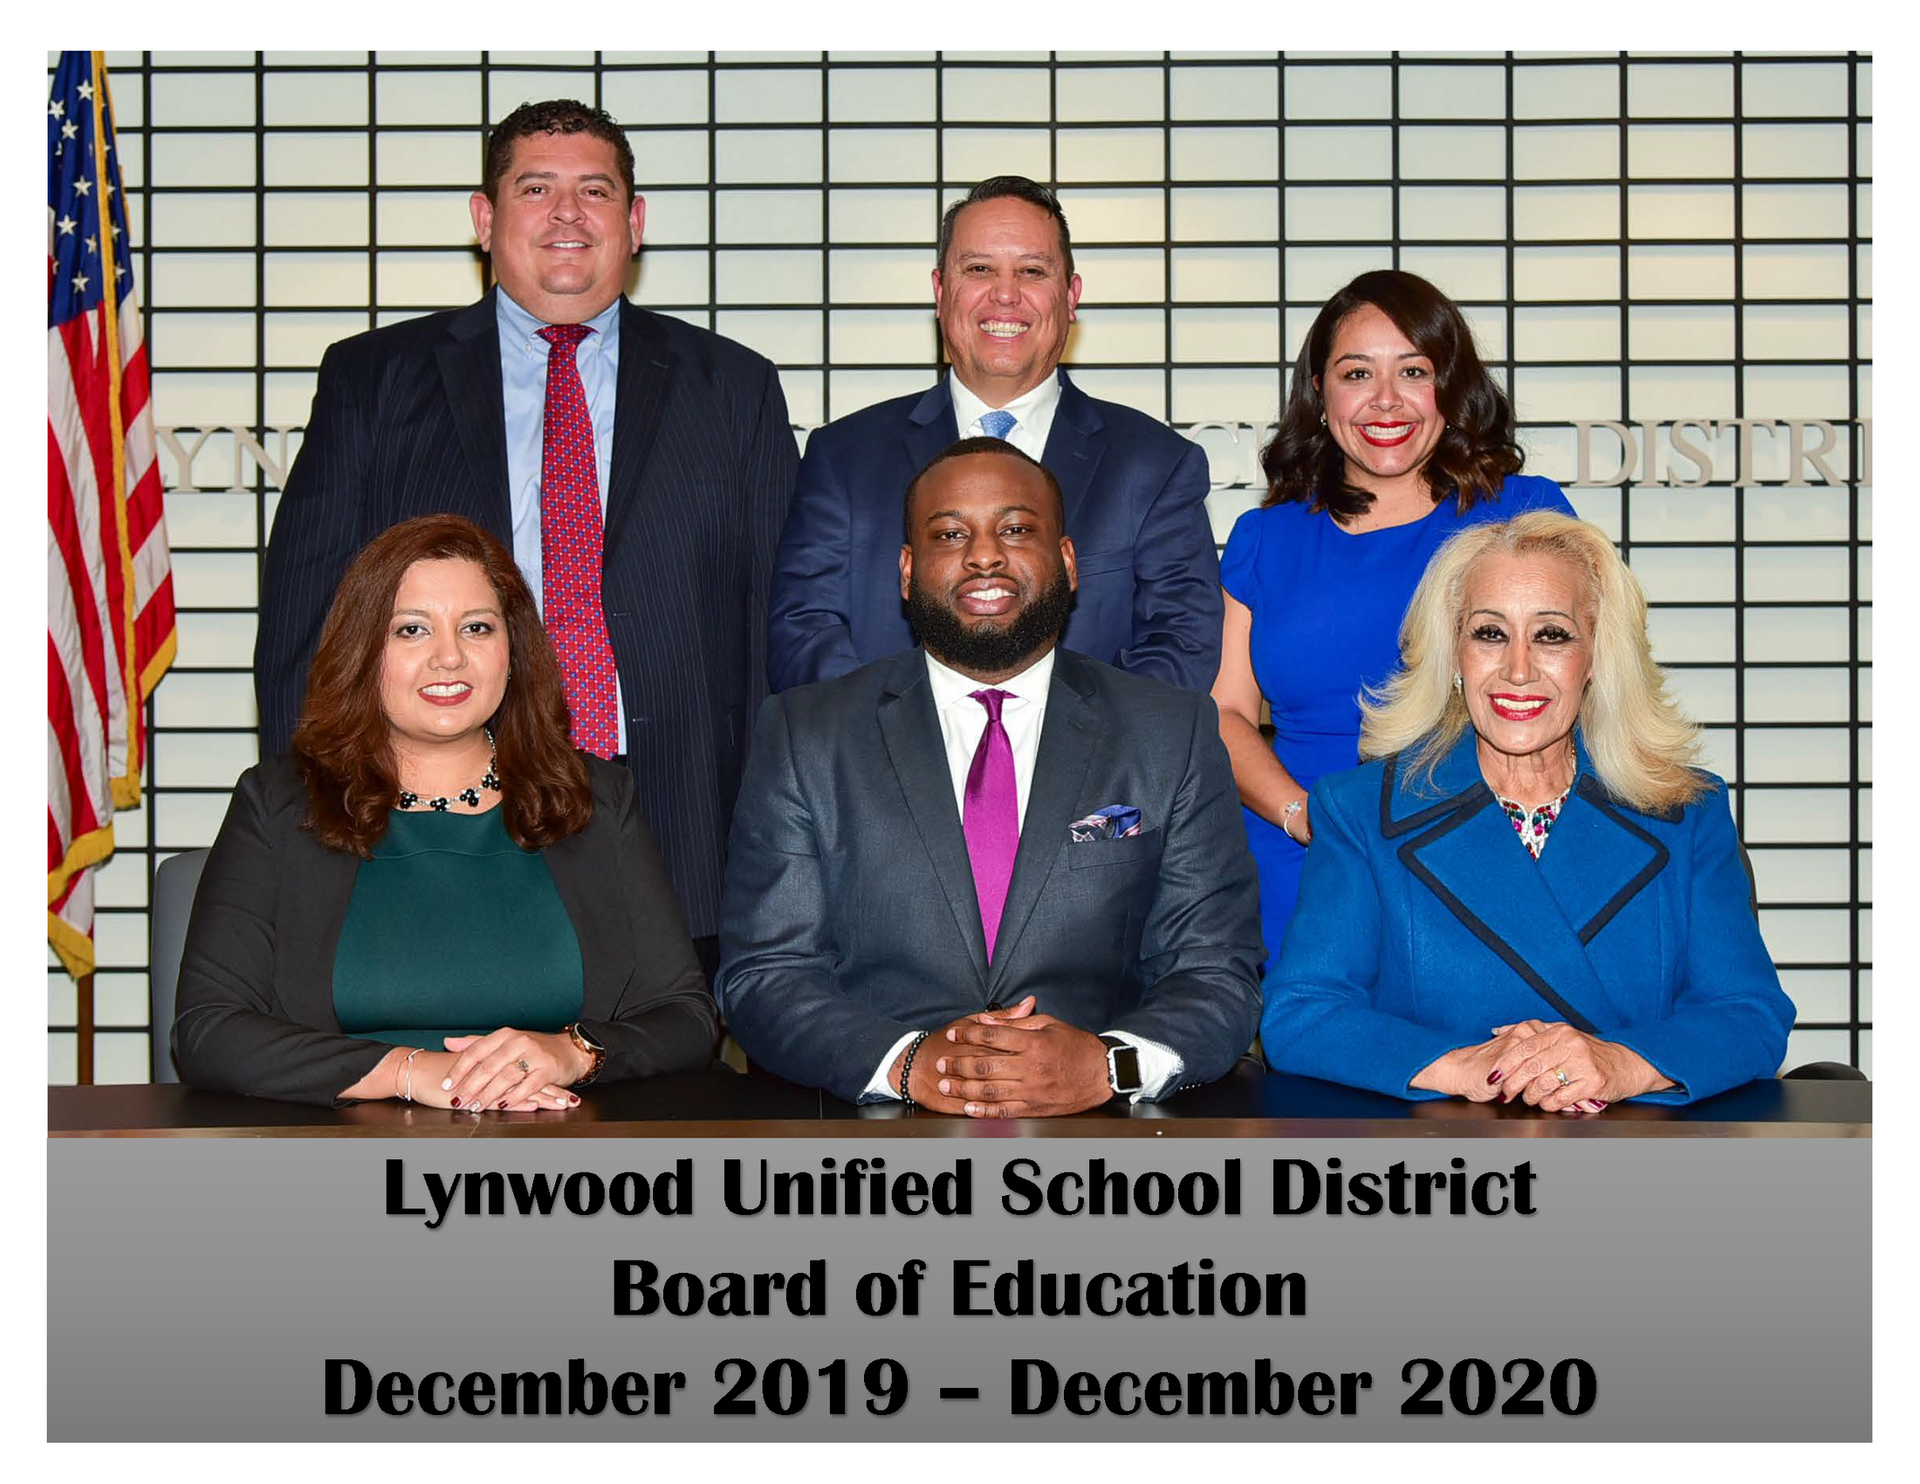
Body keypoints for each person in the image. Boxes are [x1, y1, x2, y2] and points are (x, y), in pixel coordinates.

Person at [254, 99, 797, 983]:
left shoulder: (733, 386)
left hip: (681, 828)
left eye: (595, 190)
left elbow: (772, 634)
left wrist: (780, 836)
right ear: (485, 217)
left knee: (662, 1096)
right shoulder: (374, 379)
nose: (567, 213)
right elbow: (302, 630)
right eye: (535, 188)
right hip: (431, 815)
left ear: (636, 221)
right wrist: (314, 834)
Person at [720, 439, 1263, 1115]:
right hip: (872, 1142)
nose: (984, 555)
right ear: (907, 569)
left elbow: (1215, 973)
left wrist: (1107, 1065)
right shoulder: (807, 734)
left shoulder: (1169, 731)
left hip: (1106, 1138)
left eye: (1015, 529)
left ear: (1066, 561)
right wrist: (912, 1066)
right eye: (951, 534)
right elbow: (765, 976)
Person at [176, 516, 717, 1108]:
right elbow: (208, 1030)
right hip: (337, 1156)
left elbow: (686, 1018)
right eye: (411, 630)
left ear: (512, 652)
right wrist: (408, 1072)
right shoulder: (279, 804)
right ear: (364, 651)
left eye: (477, 628)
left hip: (562, 1164)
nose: (450, 657)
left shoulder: (594, 796)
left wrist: (572, 1052)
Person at [1263, 511, 1794, 1110]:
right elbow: (1302, 1015)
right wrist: (1464, 1066)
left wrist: (1619, 1064)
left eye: (1552, 635)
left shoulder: (1688, 810)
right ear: (1454, 654)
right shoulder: (1359, 810)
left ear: (1595, 657)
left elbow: (1749, 1014)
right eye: (1490, 633)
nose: (1518, 669)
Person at [1212, 269, 1577, 966]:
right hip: (1302, 860)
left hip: (1486, 856)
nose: (1385, 400)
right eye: (1357, 373)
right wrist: (1305, 817)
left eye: (1414, 370)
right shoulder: (1267, 537)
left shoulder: (1525, 515)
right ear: (1319, 393)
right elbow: (1226, 712)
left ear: (1453, 386)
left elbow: (1584, 684)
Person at [768, 175, 1221, 696]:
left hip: (1096, 773)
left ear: (1070, 296)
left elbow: (1180, 644)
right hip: (881, 770)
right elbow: (804, 634)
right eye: (979, 269)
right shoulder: (843, 458)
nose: (1005, 295)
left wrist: (1071, 760)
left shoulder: (1156, 465)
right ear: (941, 292)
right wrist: (894, 758)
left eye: (1032, 271)